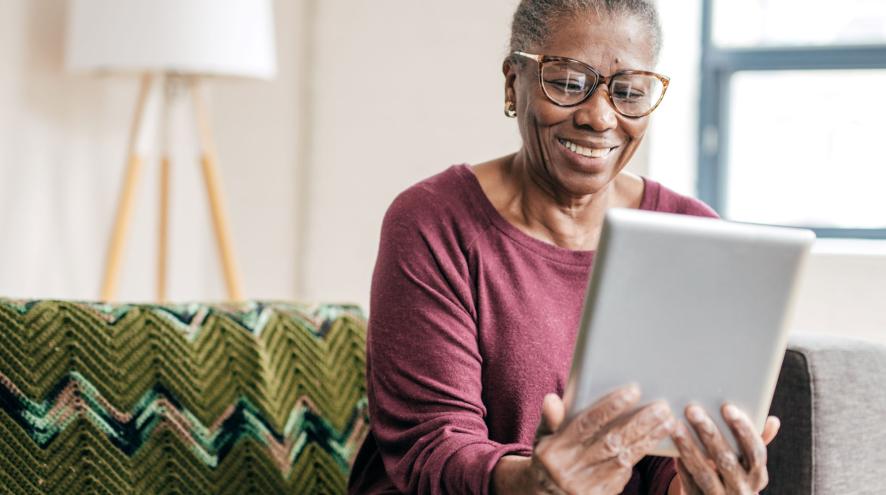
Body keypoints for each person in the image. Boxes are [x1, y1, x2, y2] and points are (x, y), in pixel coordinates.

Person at [348, 1, 780, 493]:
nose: (600, 118)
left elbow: (667, 455)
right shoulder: (434, 222)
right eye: (569, 83)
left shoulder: (692, 232)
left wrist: (700, 483)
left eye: (629, 92)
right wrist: (532, 481)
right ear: (514, 83)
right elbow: (432, 448)